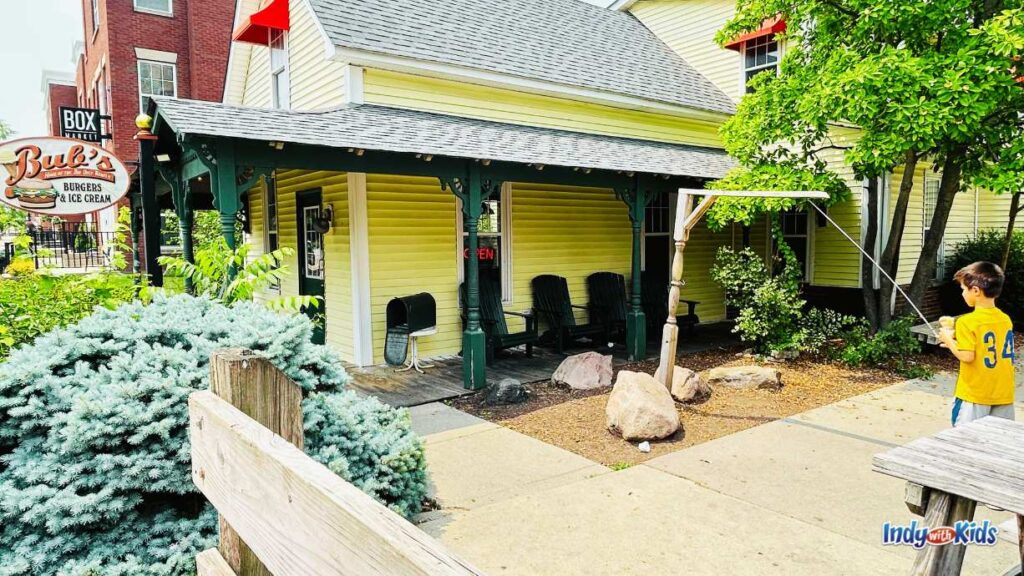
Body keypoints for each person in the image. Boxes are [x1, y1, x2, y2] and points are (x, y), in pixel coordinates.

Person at [938, 261, 1016, 427]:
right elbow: (987, 345)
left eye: (964, 290)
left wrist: (948, 339)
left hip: (974, 396)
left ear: (975, 290)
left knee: (965, 444)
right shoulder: (1005, 319)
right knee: (997, 446)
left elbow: (967, 356)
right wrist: (956, 342)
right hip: (1003, 394)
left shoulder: (967, 322)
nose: (963, 294)